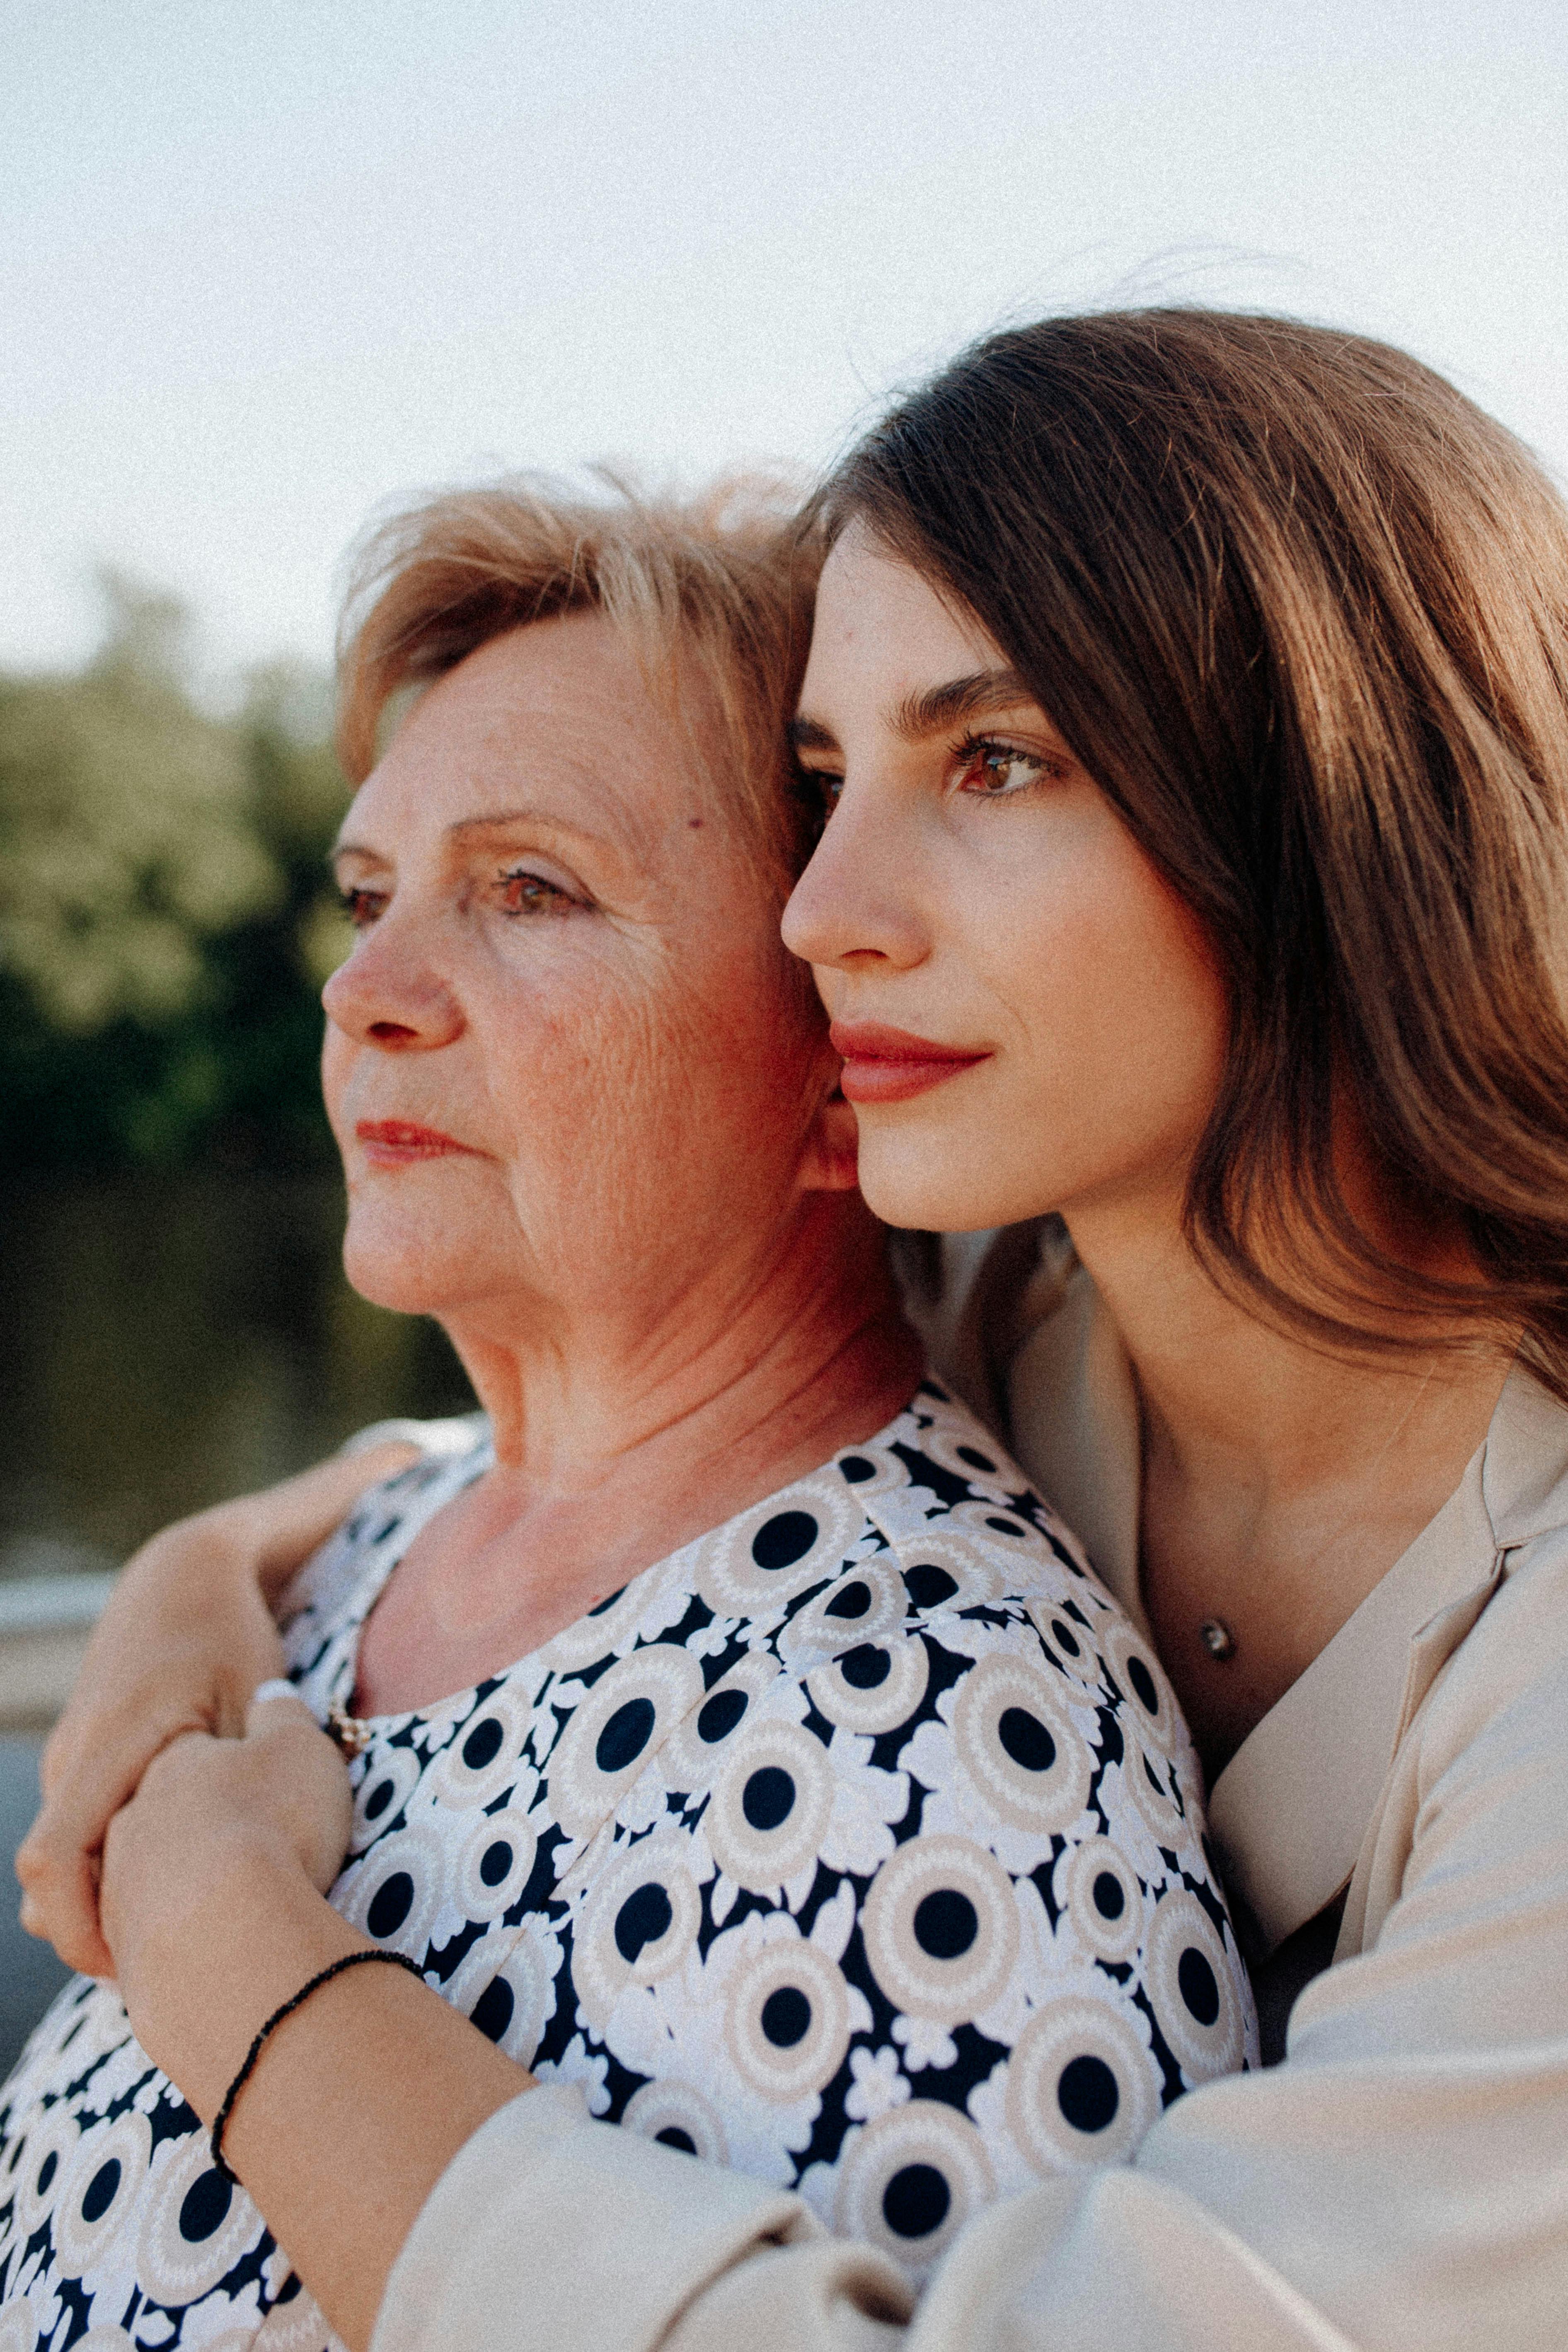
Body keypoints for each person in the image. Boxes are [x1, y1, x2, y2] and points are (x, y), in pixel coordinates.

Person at [18, 303, 1568, 2349]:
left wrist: (236, 1960)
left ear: (1347, 812)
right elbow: (554, 1434)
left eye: (993, 759)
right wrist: (191, 1581)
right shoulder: (1018, 1292)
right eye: (827, 778)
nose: (823, 909)